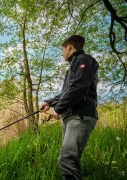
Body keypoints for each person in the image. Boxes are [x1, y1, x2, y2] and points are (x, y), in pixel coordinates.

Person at [40, 35, 99, 180]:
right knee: (69, 159)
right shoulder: (74, 65)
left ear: (70, 47)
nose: (62, 53)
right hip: (72, 116)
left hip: (80, 116)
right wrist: (50, 102)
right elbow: (68, 91)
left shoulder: (83, 59)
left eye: (62, 49)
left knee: (67, 159)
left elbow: (80, 87)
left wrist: (58, 109)